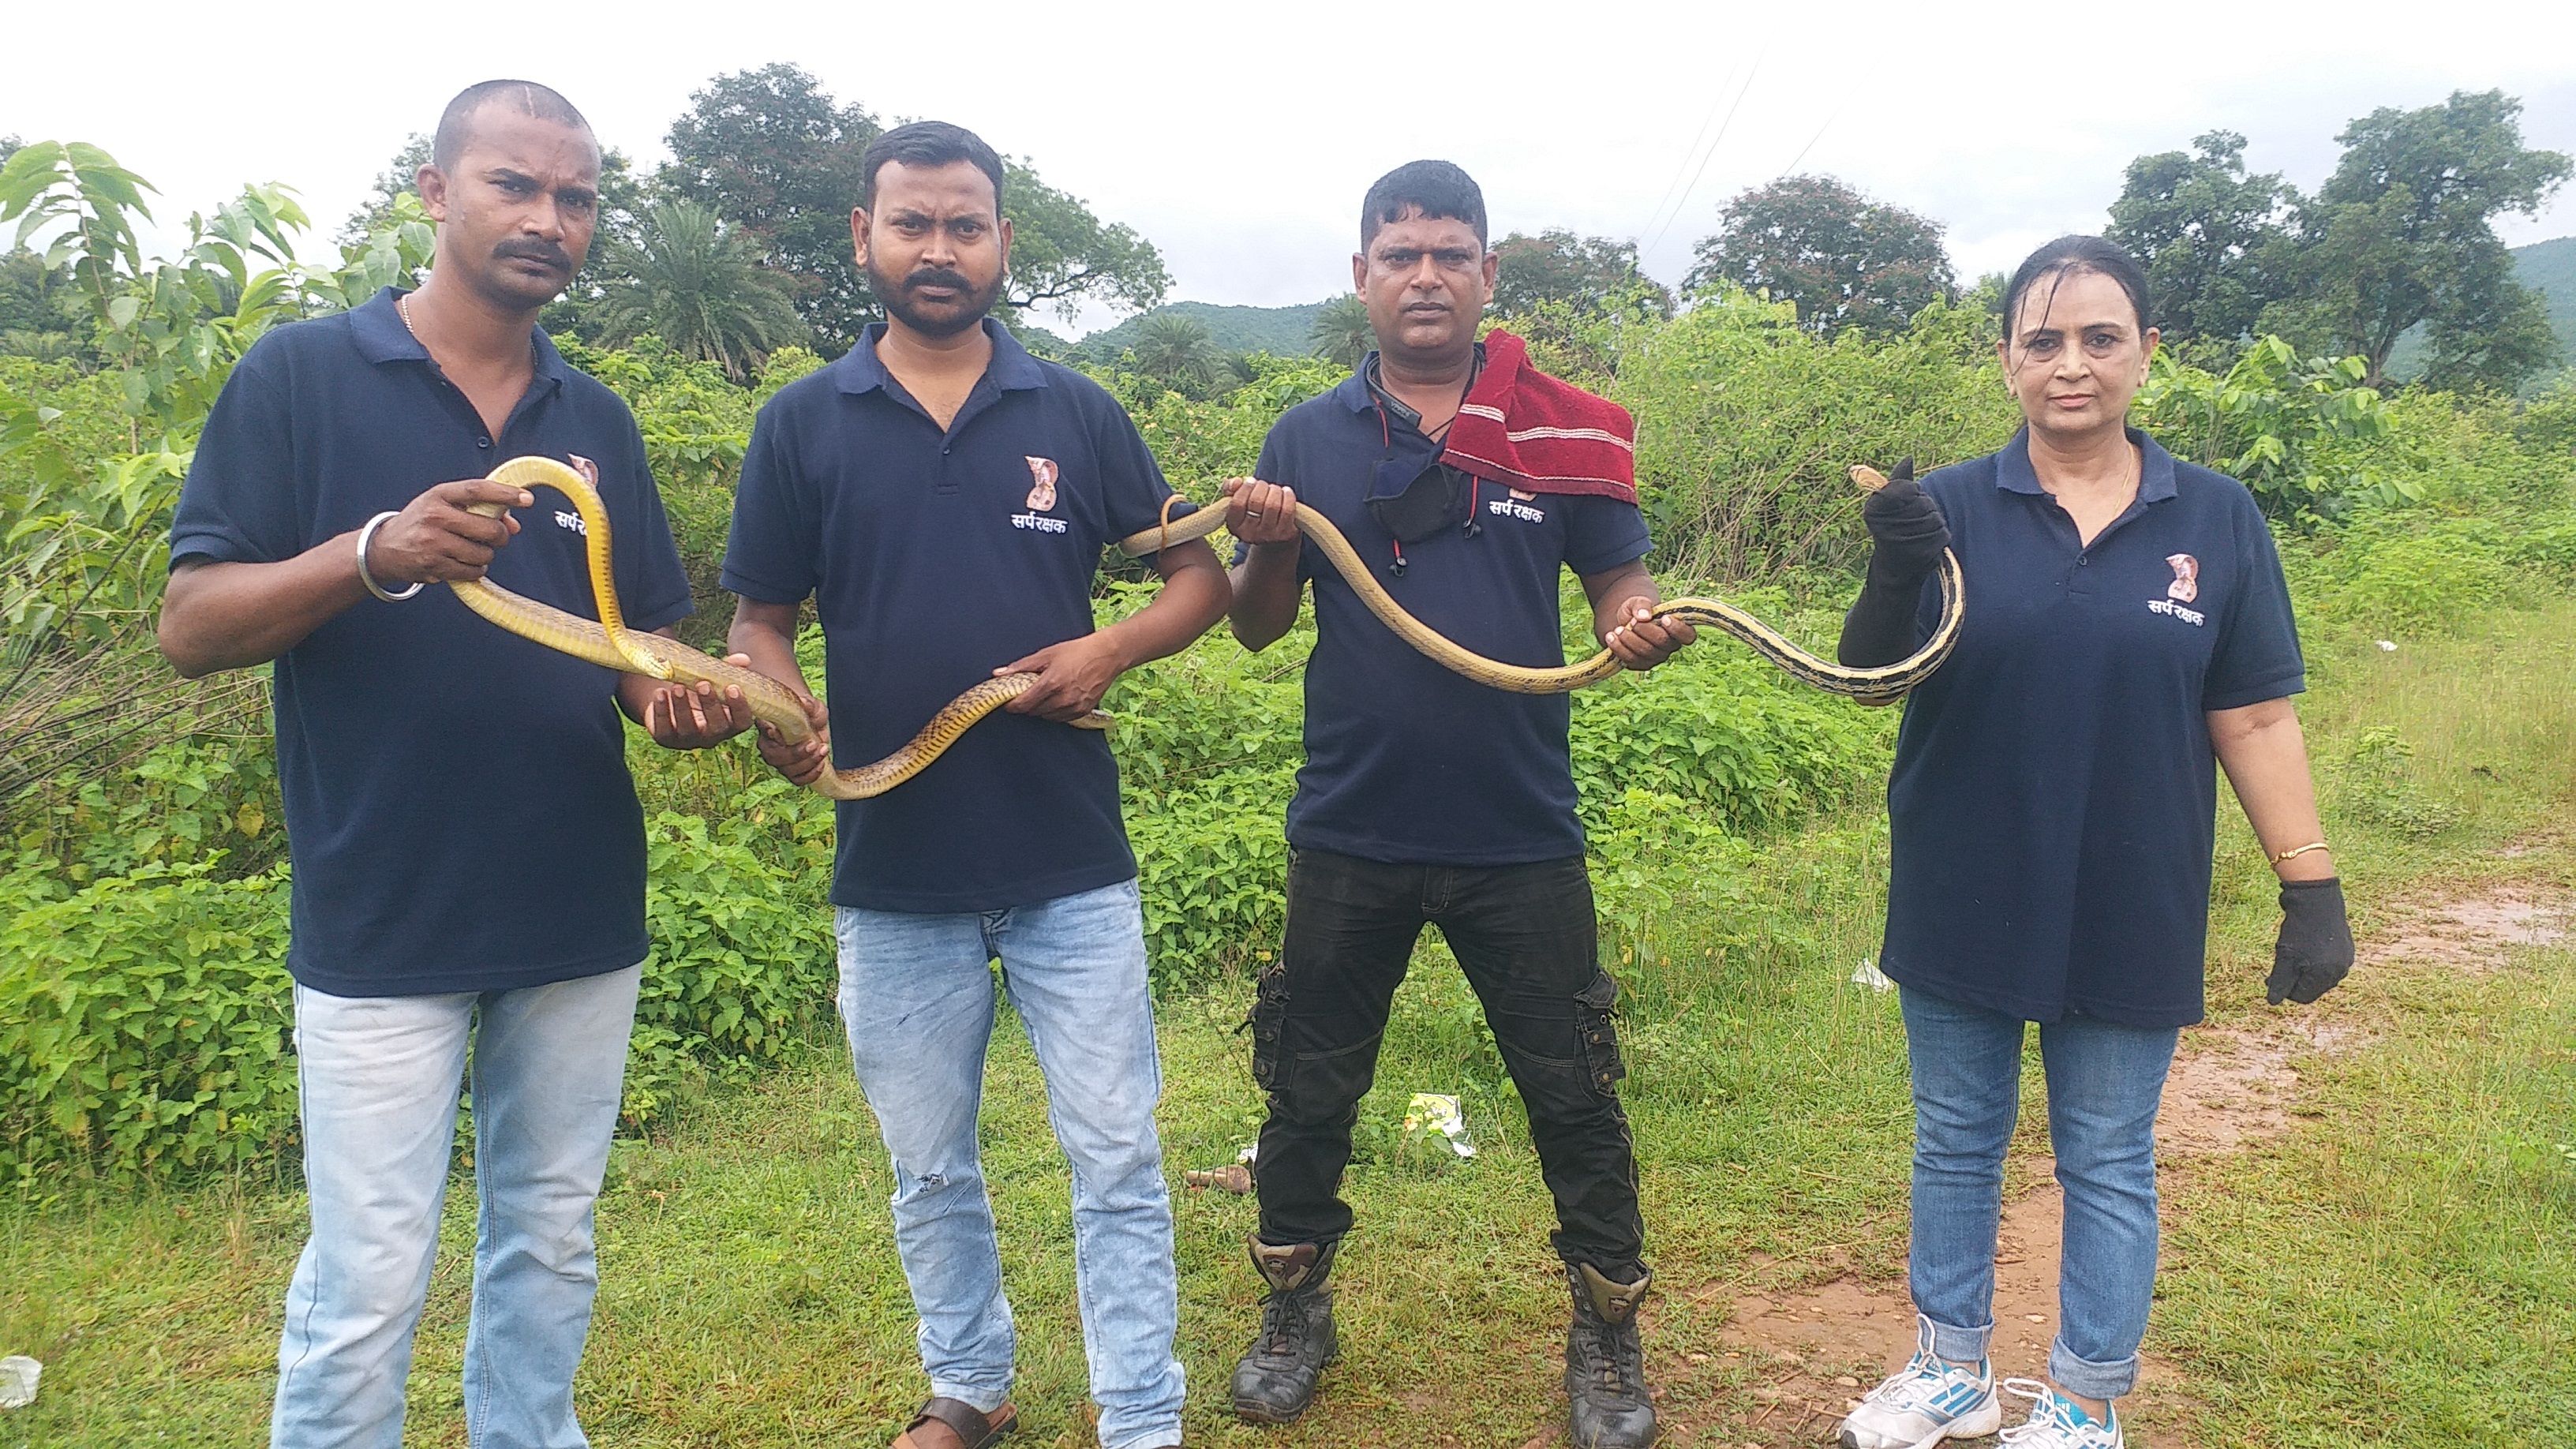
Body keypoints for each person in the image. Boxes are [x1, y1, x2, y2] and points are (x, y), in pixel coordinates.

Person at [158, 80, 756, 1449]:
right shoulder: (301, 376)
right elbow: (190, 628)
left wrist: (677, 700)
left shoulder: (592, 414)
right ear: (435, 193)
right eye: (514, 185)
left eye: (577, 197)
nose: (549, 220)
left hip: (575, 905)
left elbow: (631, 642)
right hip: (382, 908)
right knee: (368, 1281)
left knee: (549, 1244)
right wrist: (375, 553)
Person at [722, 121, 1227, 1449]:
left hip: (1070, 864)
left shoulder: (1074, 409)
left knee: (1116, 1158)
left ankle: (1141, 1416)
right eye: (912, 224)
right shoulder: (801, 423)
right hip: (893, 872)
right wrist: (774, 697)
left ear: (1003, 242)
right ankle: (970, 1389)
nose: (937, 249)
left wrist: (1106, 650)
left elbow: (1198, 578)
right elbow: (759, 618)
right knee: (929, 1165)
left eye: (964, 225)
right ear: (866, 240)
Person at [1831, 236, 2356, 1449]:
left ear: (2146, 355)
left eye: (2100, 339)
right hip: (1965, 877)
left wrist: (2311, 885)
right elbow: (1867, 680)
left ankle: (2083, 1398)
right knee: (1957, 1137)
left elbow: (2257, 711)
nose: (2073, 365)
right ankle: (1949, 1368)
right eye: (2044, 341)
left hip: (2137, 886)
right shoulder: (1952, 505)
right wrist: (1892, 566)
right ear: (2009, 359)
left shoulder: (2216, 516)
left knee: (2109, 1155)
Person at [1219, 160, 1693, 1449]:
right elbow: (1261, 632)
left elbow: (1617, 583)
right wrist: (1264, 538)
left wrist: (1633, 626)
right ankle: (1295, 1310)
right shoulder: (1306, 439)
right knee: (1306, 1089)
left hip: (1518, 833)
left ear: (1489, 275)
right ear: (1360, 276)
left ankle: (1607, 1333)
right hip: (1350, 829)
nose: (1423, 274)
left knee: (1574, 1092)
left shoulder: (1570, 429)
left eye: (1449, 253)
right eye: (1399, 253)